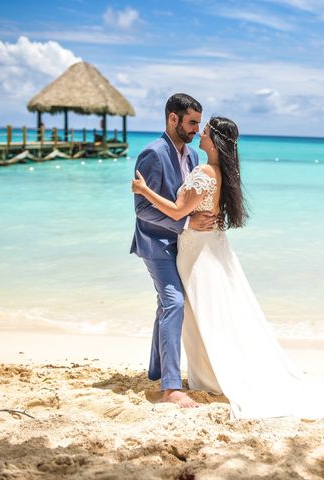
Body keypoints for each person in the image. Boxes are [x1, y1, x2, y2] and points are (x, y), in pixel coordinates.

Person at [132, 116, 324, 420]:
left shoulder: (204, 170)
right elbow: (199, 210)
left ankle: (207, 373)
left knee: (201, 311)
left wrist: (144, 191)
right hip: (207, 248)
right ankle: (180, 371)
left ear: (214, 140)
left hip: (197, 253)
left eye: (204, 130)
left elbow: (180, 210)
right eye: (198, 127)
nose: (199, 134)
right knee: (210, 311)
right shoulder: (221, 172)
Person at [130, 93, 216, 408]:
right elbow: (143, 210)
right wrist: (186, 223)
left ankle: (156, 369)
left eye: (198, 123)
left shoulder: (193, 157)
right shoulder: (152, 154)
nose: (196, 129)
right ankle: (170, 388)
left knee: (166, 305)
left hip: (183, 246)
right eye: (191, 122)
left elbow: (190, 200)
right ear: (173, 118)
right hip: (155, 243)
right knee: (174, 303)